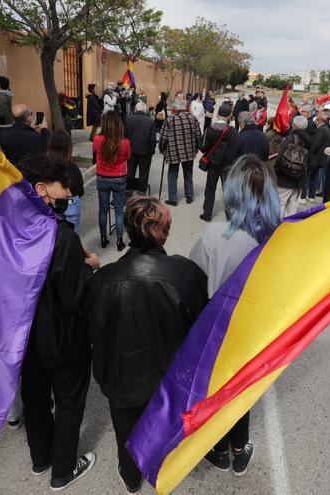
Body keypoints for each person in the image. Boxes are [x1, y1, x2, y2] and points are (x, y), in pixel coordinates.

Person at [85, 196, 208, 494]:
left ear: (128, 230)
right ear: (161, 232)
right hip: (169, 379)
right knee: (166, 428)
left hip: (121, 379)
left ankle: (130, 476)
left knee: (125, 430)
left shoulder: (103, 280)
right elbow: (201, 328)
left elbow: (94, 332)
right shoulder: (184, 273)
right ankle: (164, 469)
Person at [189, 155, 282, 476]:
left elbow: (194, 282)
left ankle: (217, 448)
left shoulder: (215, 236)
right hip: (254, 334)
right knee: (242, 393)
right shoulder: (278, 240)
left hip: (216, 332)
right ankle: (240, 449)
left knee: (215, 392)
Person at [14, 155, 99, 491]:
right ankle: (63, 469)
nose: (68, 194)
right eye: (62, 186)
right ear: (40, 189)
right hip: (63, 340)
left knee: (34, 398)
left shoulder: (9, 231)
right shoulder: (60, 238)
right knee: (68, 401)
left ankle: (41, 457)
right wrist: (89, 267)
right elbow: (74, 297)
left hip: (24, 340)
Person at [93, 112, 131, 251]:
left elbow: (95, 152)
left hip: (102, 176)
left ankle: (103, 237)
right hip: (119, 177)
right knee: (119, 210)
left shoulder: (97, 139)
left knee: (103, 210)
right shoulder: (124, 142)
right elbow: (128, 156)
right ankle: (120, 240)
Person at [160, 98, 202, 206]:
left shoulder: (169, 120)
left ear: (175, 108)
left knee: (172, 174)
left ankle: (173, 199)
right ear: (185, 107)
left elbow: (163, 138)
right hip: (189, 152)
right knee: (188, 174)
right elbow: (198, 135)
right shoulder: (192, 118)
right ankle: (189, 196)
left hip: (174, 152)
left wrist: (162, 149)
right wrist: (197, 147)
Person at [199, 103, 236, 221]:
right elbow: (236, 148)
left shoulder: (210, 129)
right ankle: (230, 215)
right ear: (229, 116)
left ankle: (207, 214)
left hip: (213, 164)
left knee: (210, 188)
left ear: (218, 114)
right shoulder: (233, 131)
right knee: (227, 190)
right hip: (227, 165)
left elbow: (203, 147)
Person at [48, 130, 85, 232]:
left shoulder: (46, 166)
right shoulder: (72, 168)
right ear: (69, 147)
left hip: (53, 203)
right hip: (71, 203)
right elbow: (80, 190)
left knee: (56, 237)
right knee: (72, 238)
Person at [275, 115, 310, 216]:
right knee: (293, 203)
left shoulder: (291, 138)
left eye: (293, 124)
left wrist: (277, 169)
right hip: (300, 177)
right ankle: (289, 224)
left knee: (281, 202)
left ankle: (279, 225)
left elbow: (280, 156)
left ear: (296, 126)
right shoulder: (309, 140)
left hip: (286, 176)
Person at [124, 101, 157, 195]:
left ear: (136, 109)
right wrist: (152, 151)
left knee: (130, 171)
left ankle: (129, 191)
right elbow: (152, 139)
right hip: (145, 152)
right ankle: (141, 191)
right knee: (144, 173)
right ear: (145, 110)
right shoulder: (150, 121)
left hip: (131, 151)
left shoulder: (128, 119)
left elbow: (124, 136)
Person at [302, 112, 330, 204]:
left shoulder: (321, 130)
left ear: (319, 121)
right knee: (314, 178)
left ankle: (303, 197)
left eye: (316, 119)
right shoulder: (327, 129)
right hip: (321, 159)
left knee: (307, 177)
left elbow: (315, 145)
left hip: (314, 158)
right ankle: (311, 196)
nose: (314, 121)